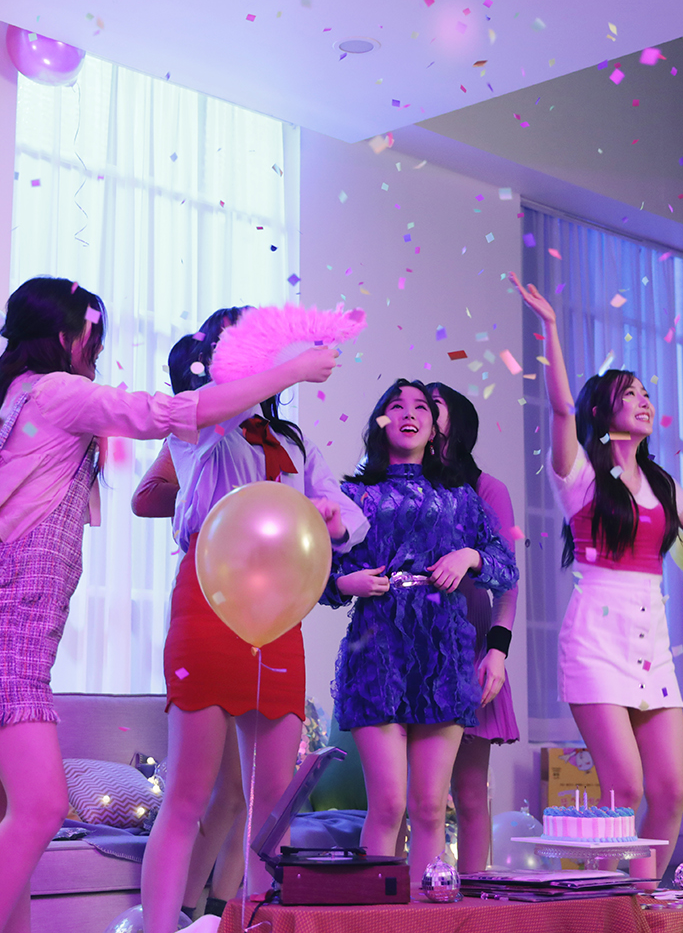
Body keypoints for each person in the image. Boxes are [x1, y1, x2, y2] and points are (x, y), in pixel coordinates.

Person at [0, 279, 338, 933]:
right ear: (70, 336)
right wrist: (292, 371)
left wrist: (4, 528)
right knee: (41, 809)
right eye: (96, 338)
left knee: (1, 814)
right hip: (5, 624)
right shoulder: (57, 392)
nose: (97, 352)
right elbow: (172, 413)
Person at [512, 272, 683, 884]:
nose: (644, 401)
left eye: (646, 393)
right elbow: (560, 408)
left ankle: (640, 902)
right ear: (603, 411)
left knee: (670, 791)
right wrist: (550, 327)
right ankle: (613, 904)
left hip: (652, 649)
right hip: (595, 642)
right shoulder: (579, 477)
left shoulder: (662, 484)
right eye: (630, 394)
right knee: (625, 787)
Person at [136, 307, 367, 933]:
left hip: (280, 610)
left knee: (273, 802)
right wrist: (289, 368)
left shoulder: (292, 441)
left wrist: (331, 517)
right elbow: (214, 415)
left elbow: (348, 515)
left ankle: (260, 923)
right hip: (209, 602)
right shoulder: (198, 420)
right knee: (188, 795)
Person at [323, 379, 519, 884]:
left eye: (421, 408)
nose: (409, 413)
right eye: (396, 405)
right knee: (388, 804)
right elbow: (315, 575)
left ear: (435, 431)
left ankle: (426, 913)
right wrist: (344, 581)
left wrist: (469, 556)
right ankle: (376, 916)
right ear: (380, 423)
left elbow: (505, 567)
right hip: (377, 653)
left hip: (444, 657)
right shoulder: (354, 496)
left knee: (431, 807)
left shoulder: (461, 499)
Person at [424, 381, 521, 874]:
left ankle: (475, 896)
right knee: (412, 794)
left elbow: (508, 580)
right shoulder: (405, 485)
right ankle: (403, 900)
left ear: (456, 421)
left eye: (432, 405)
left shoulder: (488, 490)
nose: (420, 411)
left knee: (468, 791)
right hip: (415, 641)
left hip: (471, 643)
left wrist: (497, 652)